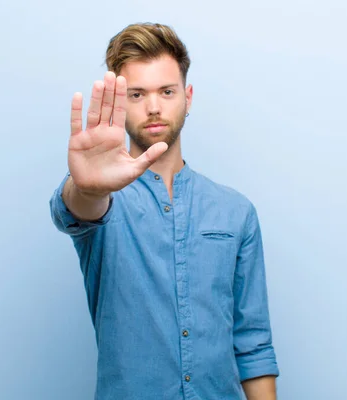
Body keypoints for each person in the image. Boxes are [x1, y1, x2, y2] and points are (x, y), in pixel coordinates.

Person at [49, 22, 279, 400]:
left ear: (187, 96)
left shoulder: (235, 212)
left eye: (166, 91)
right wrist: (87, 187)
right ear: (120, 105)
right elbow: (75, 209)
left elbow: (252, 344)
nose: (154, 106)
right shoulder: (105, 199)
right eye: (137, 94)